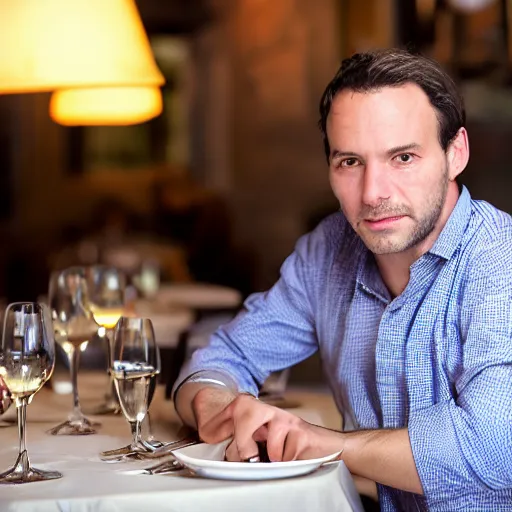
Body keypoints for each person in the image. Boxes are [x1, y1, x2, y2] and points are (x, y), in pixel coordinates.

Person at [172, 48, 512, 511]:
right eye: (350, 162)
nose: (373, 193)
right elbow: (223, 355)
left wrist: (320, 442)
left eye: (403, 157)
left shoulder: (499, 261)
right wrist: (218, 408)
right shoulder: (328, 251)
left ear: (456, 154)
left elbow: (494, 445)